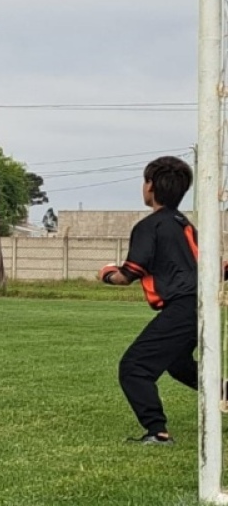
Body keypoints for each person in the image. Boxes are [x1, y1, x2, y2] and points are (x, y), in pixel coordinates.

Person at [97, 155, 197, 445]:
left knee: (134, 368)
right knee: (178, 364)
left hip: (182, 306)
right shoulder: (185, 225)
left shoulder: (150, 226)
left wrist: (105, 273)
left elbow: (127, 275)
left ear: (150, 186)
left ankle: (158, 432)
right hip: (201, 306)